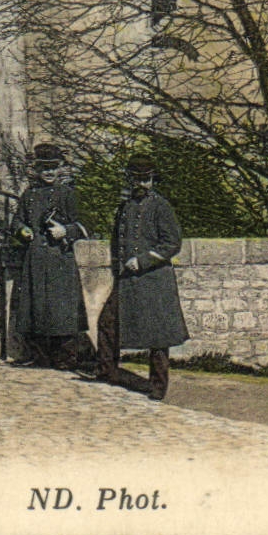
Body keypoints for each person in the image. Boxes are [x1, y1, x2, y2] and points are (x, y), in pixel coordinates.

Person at [90, 153, 189, 400]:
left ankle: (158, 387)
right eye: (137, 179)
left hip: (154, 280)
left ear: (153, 180)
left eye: (147, 180)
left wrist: (144, 260)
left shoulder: (161, 206)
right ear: (130, 179)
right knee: (107, 323)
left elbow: (172, 243)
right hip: (127, 281)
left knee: (157, 337)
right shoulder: (125, 207)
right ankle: (107, 372)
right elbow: (117, 241)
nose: (142, 184)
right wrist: (118, 268)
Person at [7, 142, 91, 369]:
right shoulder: (29, 195)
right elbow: (17, 221)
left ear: (59, 168)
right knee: (36, 307)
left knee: (62, 309)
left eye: (53, 168)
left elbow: (85, 225)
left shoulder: (68, 194)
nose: (49, 172)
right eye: (45, 168)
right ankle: (39, 356)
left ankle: (65, 358)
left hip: (60, 259)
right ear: (37, 170)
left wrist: (66, 231)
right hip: (35, 259)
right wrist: (22, 230)